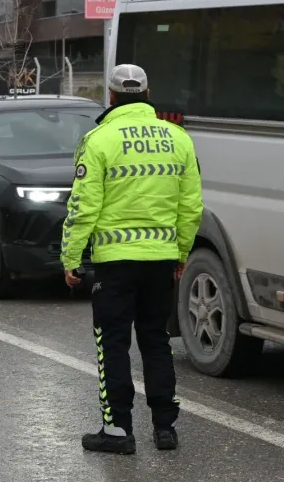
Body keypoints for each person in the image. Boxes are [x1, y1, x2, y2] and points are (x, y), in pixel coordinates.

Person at [60, 64, 203, 455]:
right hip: (161, 260)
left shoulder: (99, 139)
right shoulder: (178, 138)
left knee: (113, 343)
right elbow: (191, 207)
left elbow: (83, 206)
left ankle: (118, 430)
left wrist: (71, 258)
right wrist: (181, 253)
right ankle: (165, 427)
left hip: (115, 263)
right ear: (147, 91)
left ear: (110, 96)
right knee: (156, 340)